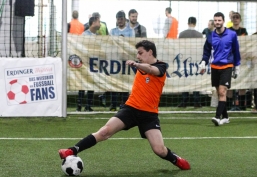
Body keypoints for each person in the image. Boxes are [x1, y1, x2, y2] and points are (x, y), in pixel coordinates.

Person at [58, 40, 191, 171]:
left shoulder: (161, 66)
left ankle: (175, 159)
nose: (137, 56)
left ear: (150, 52)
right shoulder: (141, 66)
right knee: (104, 132)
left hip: (149, 115)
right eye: (137, 54)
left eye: (140, 53)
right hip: (130, 109)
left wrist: (136, 65)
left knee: (159, 150)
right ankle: (71, 150)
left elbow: (151, 69)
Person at [199, 12, 241, 126]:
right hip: (214, 67)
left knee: (222, 92)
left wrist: (237, 66)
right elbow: (206, 52)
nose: (217, 22)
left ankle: (217, 117)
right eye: (215, 20)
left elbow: (236, 51)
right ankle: (226, 117)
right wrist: (203, 62)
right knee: (219, 93)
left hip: (227, 66)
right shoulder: (210, 36)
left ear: (223, 21)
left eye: (219, 20)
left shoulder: (232, 34)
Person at [177, 17, 203, 108]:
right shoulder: (200, 35)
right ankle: (197, 101)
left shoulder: (182, 34)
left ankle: (184, 101)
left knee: (185, 80)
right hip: (195, 61)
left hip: (185, 60)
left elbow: (179, 48)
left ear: (188, 23)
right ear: (195, 23)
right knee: (196, 80)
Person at [228, 12, 248, 111]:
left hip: (242, 60)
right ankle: (229, 105)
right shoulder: (228, 31)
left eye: (237, 18)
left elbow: (248, 44)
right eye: (234, 18)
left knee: (242, 82)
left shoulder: (244, 31)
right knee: (230, 83)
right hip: (231, 59)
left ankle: (242, 105)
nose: (235, 19)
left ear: (240, 19)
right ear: (231, 20)